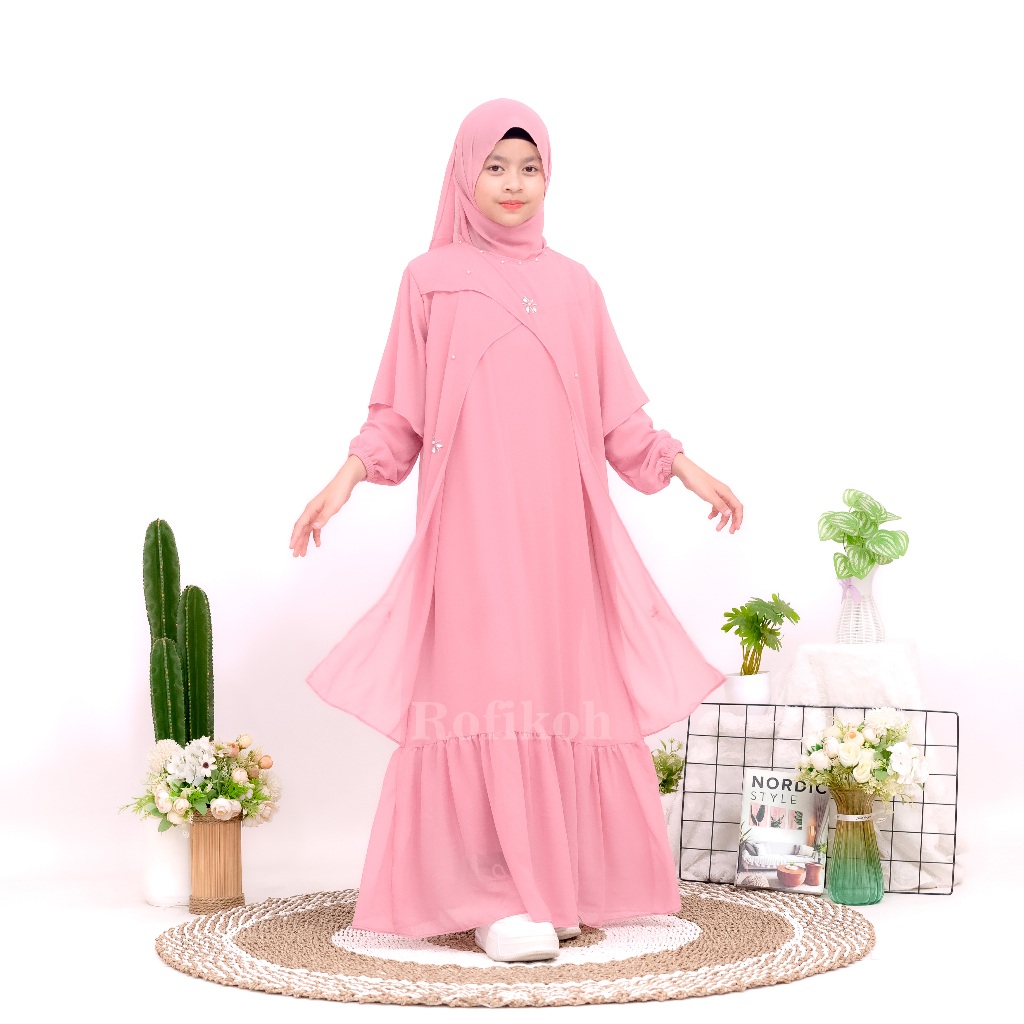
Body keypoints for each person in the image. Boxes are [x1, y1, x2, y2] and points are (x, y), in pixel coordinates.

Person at [289, 98, 743, 962]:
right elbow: (400, 414)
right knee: (483, 688)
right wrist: (345, 477)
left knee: (557, 688)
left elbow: (617, 416)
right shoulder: (430, 278)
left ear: (549, 177)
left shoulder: (575, 285)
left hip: (562, 531)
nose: (513, 183)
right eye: (495, 166)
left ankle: (553, 887)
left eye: (529, 167)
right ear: (464, 173)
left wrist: (683, 467)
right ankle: (494, 894)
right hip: (470, 527)